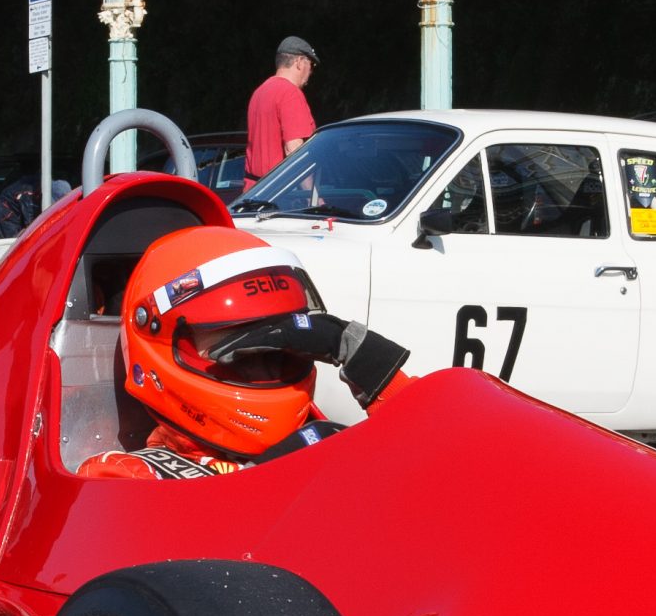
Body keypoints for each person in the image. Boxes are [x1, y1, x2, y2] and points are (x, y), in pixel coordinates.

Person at [79, 226, 410, 480]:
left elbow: (433, 457)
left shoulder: (323, 437)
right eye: (241, 356)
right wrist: (270, 473)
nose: (266, 370)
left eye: (281, 352)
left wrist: (361, 354)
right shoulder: (127, 475)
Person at [245, 36, 318, 180]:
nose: (311, 71)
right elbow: (294, 150)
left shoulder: (259, 92)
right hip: (280, 193)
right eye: (311, 64)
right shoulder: (290, 93)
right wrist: (311, 193)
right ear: (299, 62)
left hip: (254, 191)